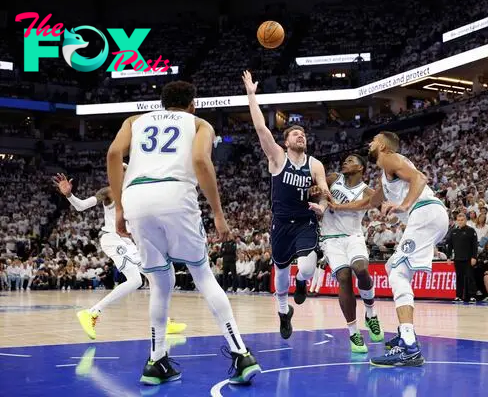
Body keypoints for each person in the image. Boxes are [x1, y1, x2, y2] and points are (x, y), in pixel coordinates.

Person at [106, 80, 260, 385]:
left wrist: (120, 209)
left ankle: (156, 361)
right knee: (202, 274)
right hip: (175, 194)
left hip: (136, 195)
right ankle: (241, 354)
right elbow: (201, 161)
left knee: (160, 282)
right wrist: (218, 213)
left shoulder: (135, 121)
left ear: (163, 103)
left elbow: (113, 154)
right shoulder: (199, 123)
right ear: (193, 103)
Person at [242, 71, 329, 340]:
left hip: (305, 220)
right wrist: (251, 95)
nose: (300, 136)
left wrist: (323, 206)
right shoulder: (278, 158)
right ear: (286, 141)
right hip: (281, 222)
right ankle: (283, 312)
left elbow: (324, 192)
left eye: (302, 133)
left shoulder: (315, 164)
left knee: (304, 268)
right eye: (294, 133)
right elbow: (260, 129)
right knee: (280, 271)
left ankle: (302, 282)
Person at [53, 172, 186, 339]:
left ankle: (162, 322)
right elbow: (81, 206)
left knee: (157, 280)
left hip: (129, 241)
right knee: (136, 280)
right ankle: (92, 312)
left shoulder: (137, 195)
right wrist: (69, 195)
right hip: (112, 238)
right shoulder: (108, 192)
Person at [356, 131, 448, 367]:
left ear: (384, 146)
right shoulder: (387, 171)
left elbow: (421, 178)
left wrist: (404, 205)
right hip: (429, 215)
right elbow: (371, 201)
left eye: (374, 139)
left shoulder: (390, 158)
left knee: (397, 271)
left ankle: (409, 345)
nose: (370, 142)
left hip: (425, 212)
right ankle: (405, 334)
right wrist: (336, 205)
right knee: (393, 267)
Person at [319, 154, 384, 353]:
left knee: (361, 268)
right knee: (344, 277)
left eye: (350, 160)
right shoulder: (333, 179)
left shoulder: (368, 192)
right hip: (331, 238)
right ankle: (353, 332)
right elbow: (315, 190)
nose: (344, 162)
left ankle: (371, 314)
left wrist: (391, 211)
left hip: (354, 236)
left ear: (361, 168)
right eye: (344, 160)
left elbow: (386, 207)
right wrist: (315, 192)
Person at [447, 213, 478, 303]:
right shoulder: (453, 232)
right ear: (456, 221)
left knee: (470, 277)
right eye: (459, 220)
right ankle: (458, 296)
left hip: (468, 259)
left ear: (465, 220)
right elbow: (450, 245)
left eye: (462, 220)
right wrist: (448, 257)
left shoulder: (471, 230)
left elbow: (474, 245)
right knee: (459, 278)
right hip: (457, 259)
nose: (460, 222)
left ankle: (472, 296)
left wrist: (474, 257)